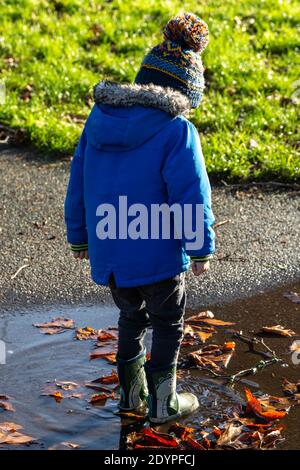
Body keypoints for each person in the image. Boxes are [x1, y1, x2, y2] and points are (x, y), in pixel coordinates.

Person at [64, 12, 215, 424]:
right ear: (186, 94)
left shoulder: (98, 121)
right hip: (159, 257)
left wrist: (79, 236)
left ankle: (132, 395)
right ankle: (164, 402)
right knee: (168, 322)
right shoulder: (177, 131)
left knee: (131, 317)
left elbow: (78, 178)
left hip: (111, 252)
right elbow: (190, 196)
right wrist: (200, 246)